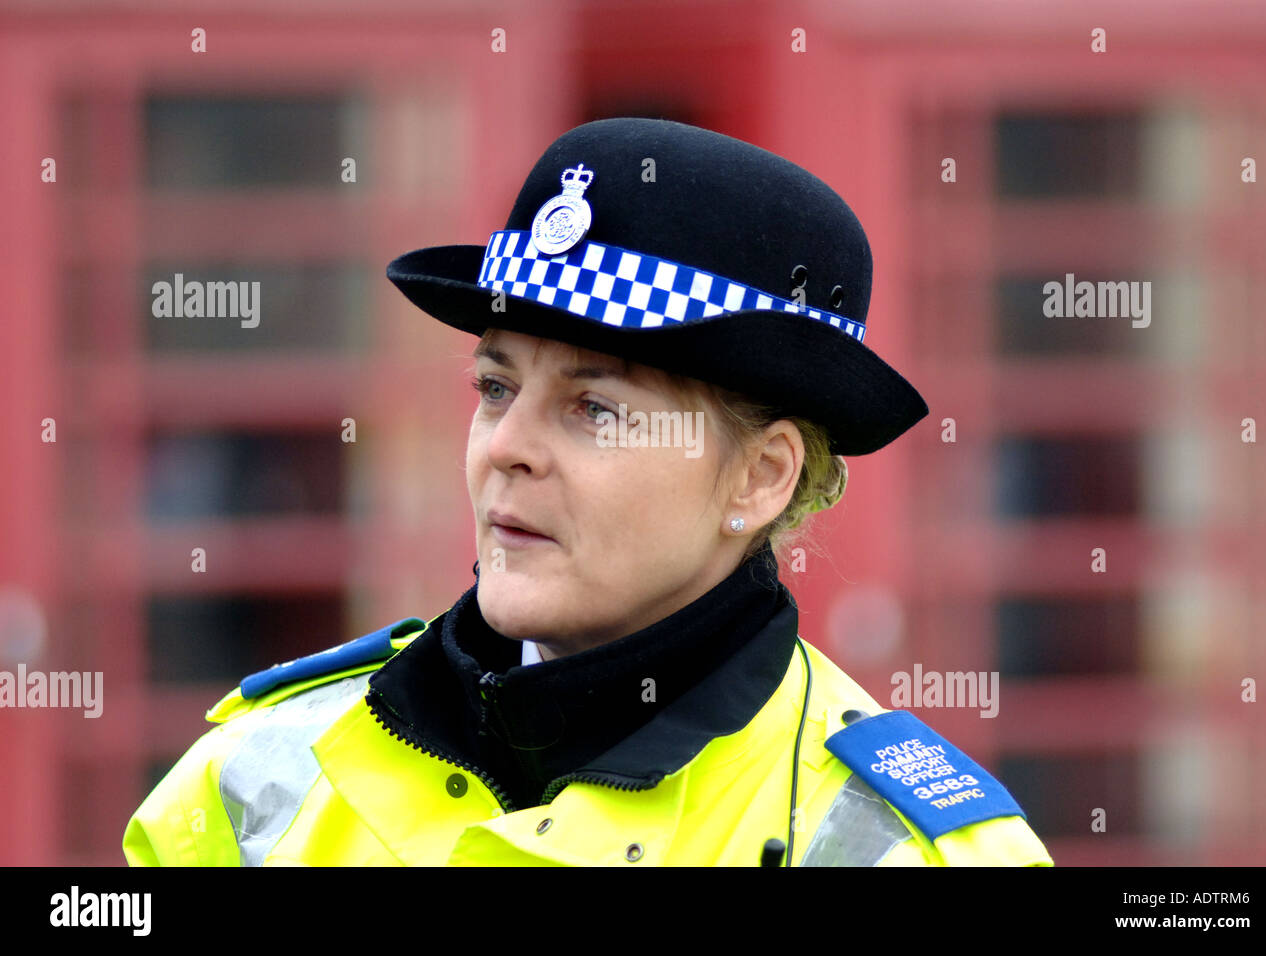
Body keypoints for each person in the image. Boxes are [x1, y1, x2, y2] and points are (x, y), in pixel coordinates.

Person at [123, 117, 1053, 867]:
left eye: (594, 408)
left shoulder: (919, 851)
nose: (507, 449)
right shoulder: (257, 768)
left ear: (761, 476)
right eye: (496, 388)